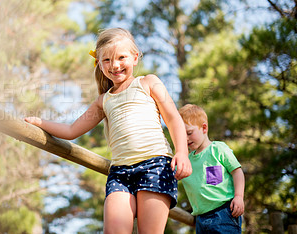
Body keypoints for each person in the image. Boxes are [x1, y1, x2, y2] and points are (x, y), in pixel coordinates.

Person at [24, 27, 191, 233]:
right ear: (99, 64)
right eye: (107, 60)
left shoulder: (148, 83)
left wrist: (182, 152)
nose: (115, 65)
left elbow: (173, 118)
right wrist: (40, 122)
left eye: (122, 57)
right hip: (120, 173)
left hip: (155, 165)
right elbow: (71, 130)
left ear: (135, 57)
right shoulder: (103, 101)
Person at [178, 104, 245, 234]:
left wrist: (238, 196)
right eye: (182, 135)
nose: (186, 138)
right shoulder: (186, 160)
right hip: (200, 219)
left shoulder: (218, 149)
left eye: (189, 133)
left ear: (204, 128)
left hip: (224, 213)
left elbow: (237, 172)